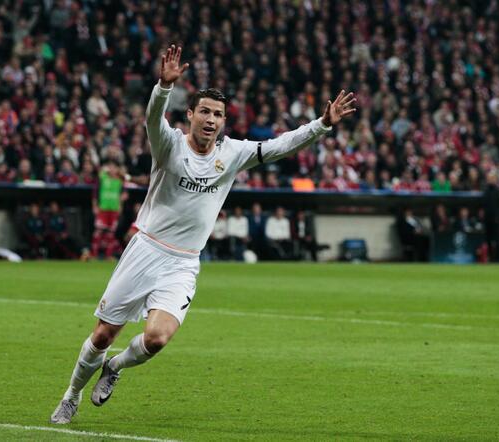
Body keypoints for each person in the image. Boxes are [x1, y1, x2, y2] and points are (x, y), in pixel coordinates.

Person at [50, 45, 356, 424]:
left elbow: (280, 146)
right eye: (205, 112)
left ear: (224, 121)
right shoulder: (169, 145)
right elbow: (152, 118)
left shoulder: (233, 153)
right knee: (102, 335)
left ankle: (114, 367)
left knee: (157, 338)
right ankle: (71, 395)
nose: (211, 120)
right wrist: (163, 87)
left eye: (218, 114)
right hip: (146, 250)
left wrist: (322, 124)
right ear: (190, 115)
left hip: (183, 262)